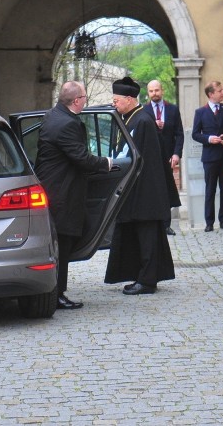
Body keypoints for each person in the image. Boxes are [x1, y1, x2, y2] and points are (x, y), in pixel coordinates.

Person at [35, 81, 112, 310]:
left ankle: (56, 291)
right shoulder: (68, 123)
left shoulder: (52, 115)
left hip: (53, 186)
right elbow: (81, 158)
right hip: (62, 191)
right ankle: (57, 294)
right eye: (85, 98)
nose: (85, 101)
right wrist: (106, 163)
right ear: (77, 100)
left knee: (62, 243)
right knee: (63, 244)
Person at [105, 77, 175, 295]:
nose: (114, 103)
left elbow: (140, 159)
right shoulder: (130, 118)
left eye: (116, 100)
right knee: (139, 236)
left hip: (146, 192)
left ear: (128, 99)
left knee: (147, 238)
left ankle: (147, 281)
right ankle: (140, 275)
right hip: (137, 190)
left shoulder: (142, 121)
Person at [191, 80, 223, 232]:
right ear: (211, 94)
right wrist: (208, 139)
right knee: (210, 189)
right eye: (220, 91)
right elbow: (195, 134)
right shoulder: (200, 112)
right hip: (210, 156)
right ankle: (209, 222)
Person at [143, 79, 184, 236]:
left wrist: (176, 154)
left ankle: (166, 224)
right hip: (151, 158)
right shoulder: (144, 111)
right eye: (151, 91)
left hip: (168, 156)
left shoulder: (173, 110)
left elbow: (179, 134)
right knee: (154, 189)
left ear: (162, 91)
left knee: (167, 190)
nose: (154, 94)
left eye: (157, 90)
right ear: (148, 93)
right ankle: (155, 223)